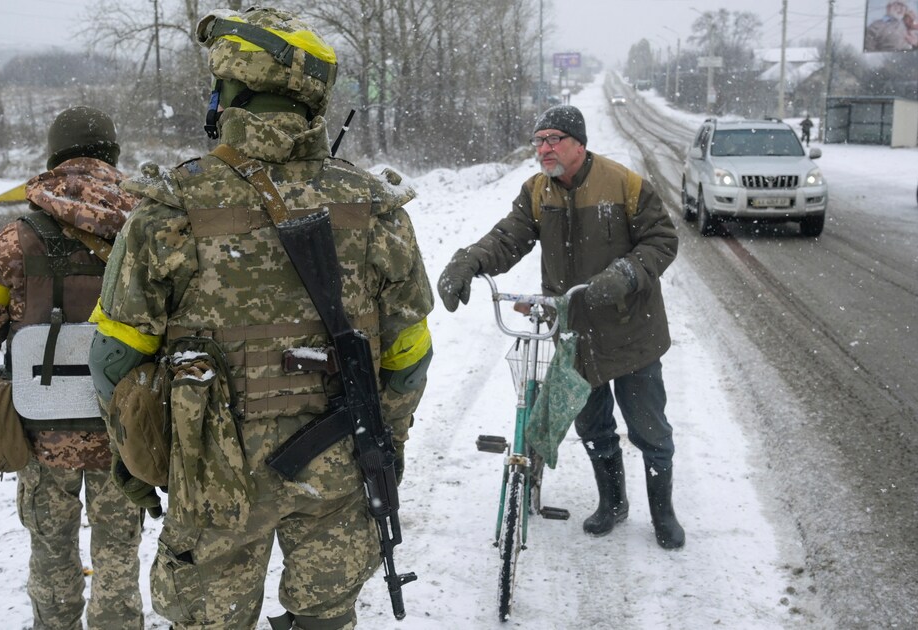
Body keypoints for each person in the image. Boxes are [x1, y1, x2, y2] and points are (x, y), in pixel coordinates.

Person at [87, 7, 434, 629]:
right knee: (327, 617)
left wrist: (140, 459)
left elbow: (114, 359)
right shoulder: (374, 207)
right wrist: (387, 443)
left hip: (212, 477)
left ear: (228, 94)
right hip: (339, 466)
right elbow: (408, 354)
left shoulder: (170, 211)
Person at [437, 104, 685, 549]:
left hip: (633, 332)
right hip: (575, 335)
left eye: (553, 139)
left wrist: (626, 274)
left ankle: (663, 512)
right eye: (538, 141)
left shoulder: (624, 185)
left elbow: (662, 240)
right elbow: (508, 237)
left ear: (578, 143)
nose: (543, 149)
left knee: (649, 429)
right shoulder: (537, 192)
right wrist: (468, 260)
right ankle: (612, 503)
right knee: (593, 427)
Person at [0, 106, 145, 629]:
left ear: (53, 156)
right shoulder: (148, 228)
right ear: (114, 156)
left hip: (39, 429)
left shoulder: (15, 239)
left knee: (51, 551)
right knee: (119, 556)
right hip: (124, 428)